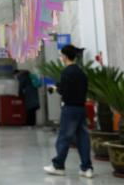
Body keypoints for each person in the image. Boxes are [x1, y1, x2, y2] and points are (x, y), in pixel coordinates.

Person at [44, 44, 94, 178]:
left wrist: (57, 89)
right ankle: (87, 168)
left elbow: (64, 91)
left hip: (69, 109)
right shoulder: (81, 72)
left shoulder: (66, 72)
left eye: (61, 55)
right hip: (81, 108)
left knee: (64, 137)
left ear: (65, 57)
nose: (61, 58)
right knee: (83, 138)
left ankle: (58, 166)